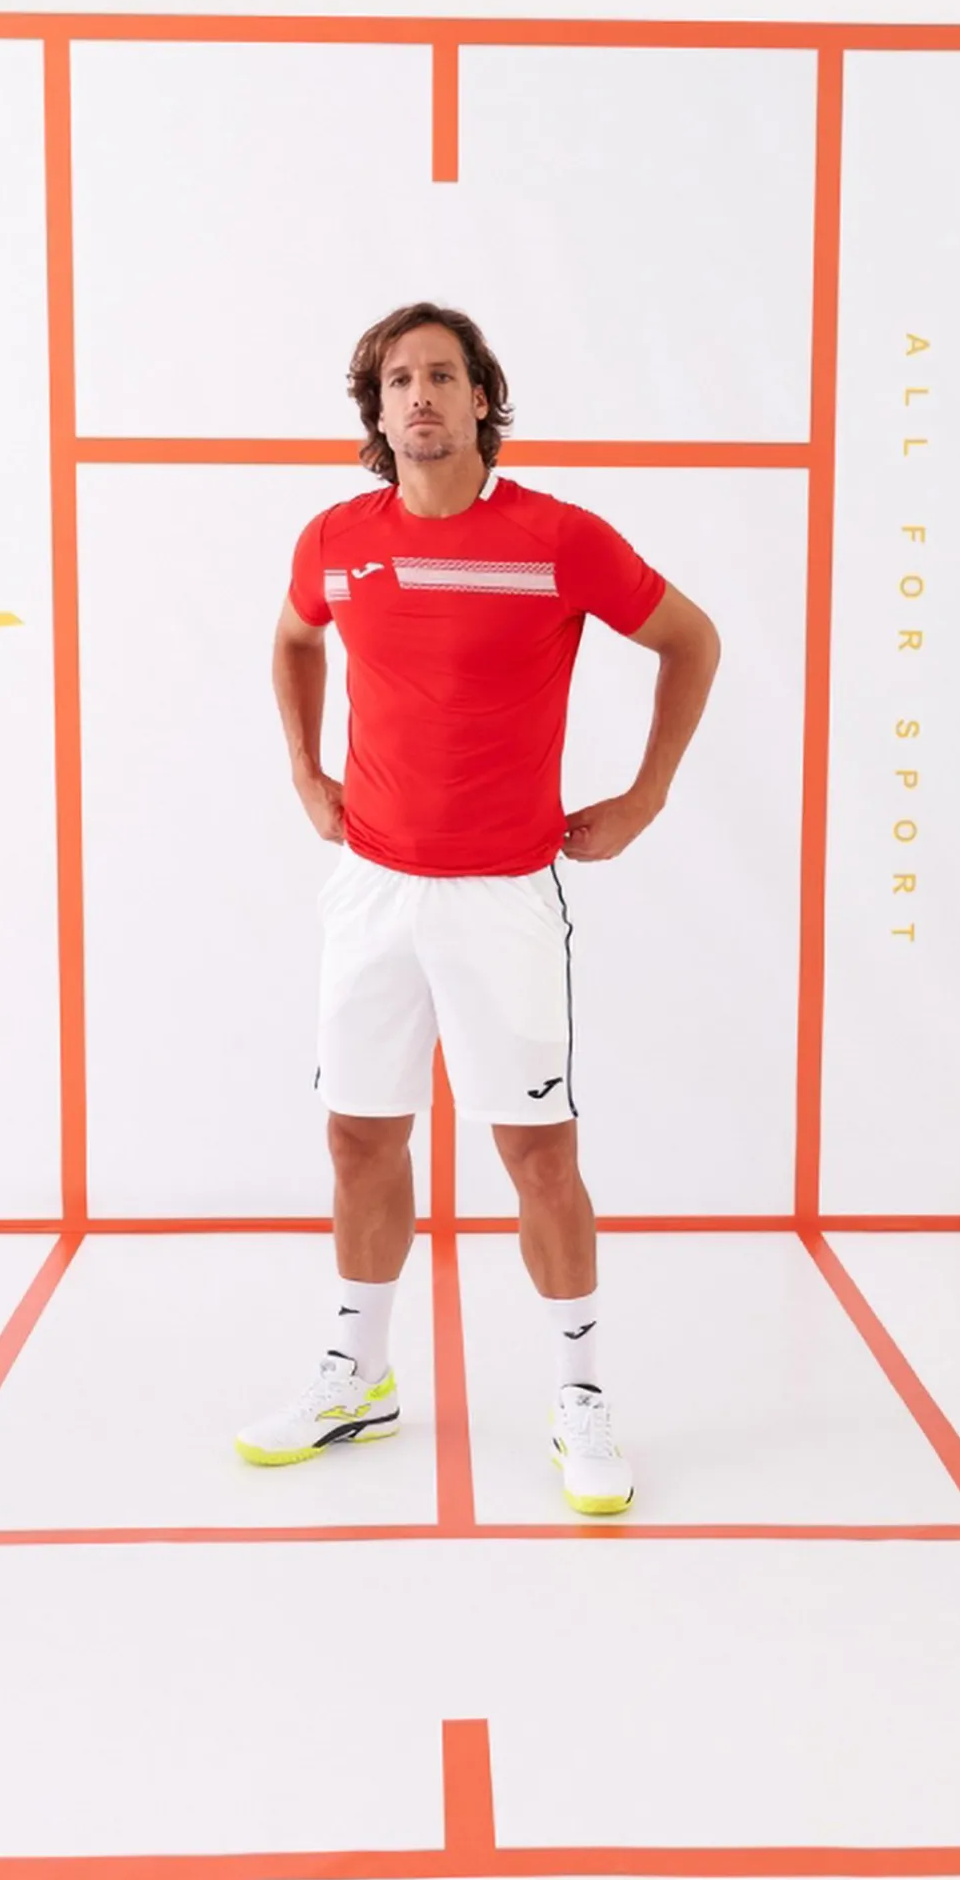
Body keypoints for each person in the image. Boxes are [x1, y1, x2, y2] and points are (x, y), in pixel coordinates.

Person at [235, 302, 720, 1514]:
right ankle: (358, 1375)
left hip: (502, 899)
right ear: (378, 408)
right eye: (399, 379)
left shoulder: (559, 538)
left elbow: (691, 640)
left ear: (481, 397)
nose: (421, 396)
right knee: (358, 1138)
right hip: (372, 890)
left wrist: (648, 794)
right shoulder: (336, 541)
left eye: (443, 375)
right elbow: (294, 641)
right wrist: (304, 770)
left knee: (538, 1157)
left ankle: (581, 1395)